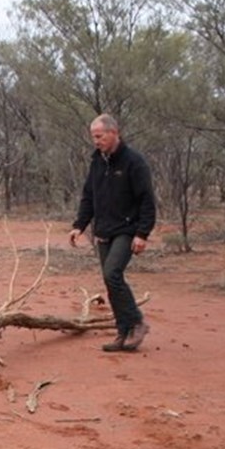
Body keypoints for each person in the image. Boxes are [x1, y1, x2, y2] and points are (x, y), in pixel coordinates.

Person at [69, 114, 156, 352]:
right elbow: (89, 195)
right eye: (93, 137)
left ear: (114, 132)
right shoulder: (97, 161)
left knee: (112, 274)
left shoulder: (134, 161)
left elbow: (147, 200)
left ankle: (137, 323)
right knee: (110, 282)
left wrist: (142, 233)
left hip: (128, 229)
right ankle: (123, 332)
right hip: (104, 230)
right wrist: (79, 225)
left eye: (99, 136)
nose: (96, 141)